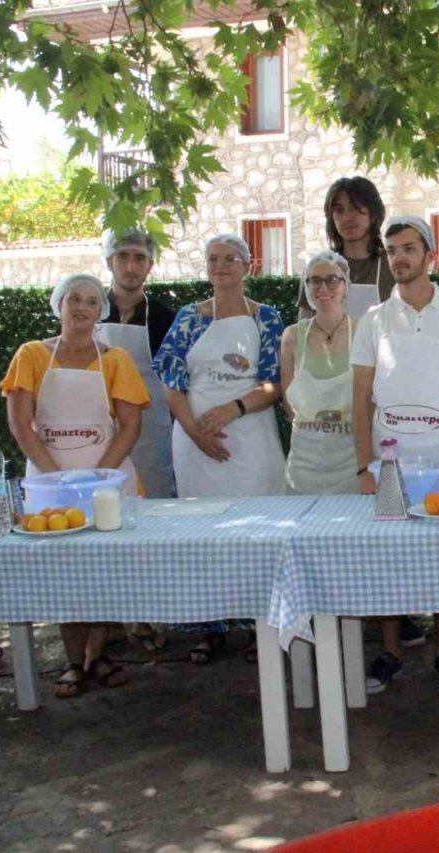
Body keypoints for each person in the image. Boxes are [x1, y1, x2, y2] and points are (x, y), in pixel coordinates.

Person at [1, 273, 150, 698]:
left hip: (108, 476)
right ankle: (71, 661)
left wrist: (98, 478)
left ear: (100, 311)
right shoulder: (31, 355)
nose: (82, 307)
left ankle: (98, 655)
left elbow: (130, 424)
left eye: (91, 301)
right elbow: (20, 424)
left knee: (103, 571)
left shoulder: (115, 359)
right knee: (61, 572)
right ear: (59, 305)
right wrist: (54, 476)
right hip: (48, 481)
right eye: (74, 299)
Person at [351, 214, 439, 693]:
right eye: (392, 251)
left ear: (430, 255)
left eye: (409, 248)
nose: (400, 258)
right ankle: (389, 652)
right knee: (387, 556)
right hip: (387, 464)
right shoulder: (372, 320)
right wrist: (363, 465)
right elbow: (360, 398)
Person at [152, 234, 287, 664]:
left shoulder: (268, 318)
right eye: (214, 259)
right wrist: (194, 431)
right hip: (195, 446)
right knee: (200, 536)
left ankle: (257, 626)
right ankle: (207, 628)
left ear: (248, 265)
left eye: (232, 258)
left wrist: (234, 408)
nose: (222, 265)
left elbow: (275, 382)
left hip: (252, 439)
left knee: (257, 530)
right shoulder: (188, 320)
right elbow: (171, 382)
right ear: (206, 267)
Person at [96, 229, 177, 653]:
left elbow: (175, 380)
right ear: (109, 261)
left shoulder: (164, 316)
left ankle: (150, 613)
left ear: (150, 265)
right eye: (123, 256)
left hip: (152, 427)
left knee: (150, 521)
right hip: (97, 428)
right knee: (101, 522)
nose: (131, 265)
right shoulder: (88, 307)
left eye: (140, 257)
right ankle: (105, 619)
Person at [281, 251, 359, 495]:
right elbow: (287, 402)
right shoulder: (292, 337)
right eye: (314, 280)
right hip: (304, 466)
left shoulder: (364, 332)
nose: (322, 287)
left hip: (352, 465)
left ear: (346, 286)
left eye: (332, 279)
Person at [313, 176, 394, 321]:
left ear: (374, 215)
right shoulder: (319, 267)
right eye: (339, 210)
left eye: (355, 208)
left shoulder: (393, 265)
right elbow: (304, 330)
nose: (347, 217)